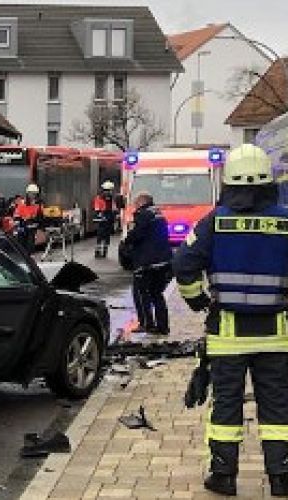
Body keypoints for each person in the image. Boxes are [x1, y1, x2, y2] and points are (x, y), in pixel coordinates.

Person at [172, 144, 288, 497]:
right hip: (277, 336)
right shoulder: (285, 221)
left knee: (226, 403)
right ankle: (281, 476)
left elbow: (183, 265)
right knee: (278, 408)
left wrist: (197, 301)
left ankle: (223, 475)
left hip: (226, 334)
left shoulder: (214, 222)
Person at [124, 192, 172, 335]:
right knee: (157, 294)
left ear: (141, 202)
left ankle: (146, 324)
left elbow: (136, 235)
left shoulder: (143, 215)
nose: (134, 205)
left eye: (136, 202)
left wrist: (127, 241)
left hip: (147, 263)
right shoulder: (158, 213)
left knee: (140, 293)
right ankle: (163, 326)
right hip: (163, 261)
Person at [13, 184, 43, 253]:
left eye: (34, 194)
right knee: (21, 247)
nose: (33, 195)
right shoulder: (22, 203)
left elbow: (40, 217)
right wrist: (19, 223)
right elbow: (16, 215)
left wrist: (36, 222)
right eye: (31, 193)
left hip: (31, 229)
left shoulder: (38, 204)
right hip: (22, 228)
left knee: (30, 247)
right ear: (27, 194)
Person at [92, 181, 119, 259]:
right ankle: (102, 252)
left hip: (105, 218)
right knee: (104, 236)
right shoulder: (110, 198)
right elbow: (98, 209)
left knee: (101, 236)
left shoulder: (101, 198)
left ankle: (100, 252)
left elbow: (97, 208)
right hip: (106, 218)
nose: (109, 192)